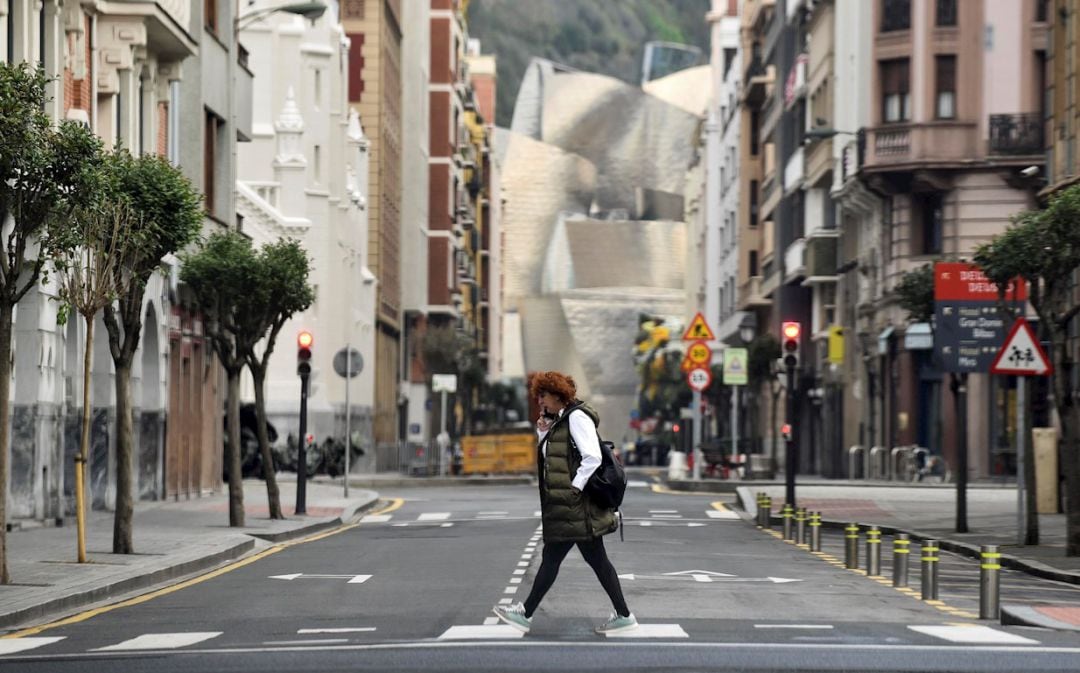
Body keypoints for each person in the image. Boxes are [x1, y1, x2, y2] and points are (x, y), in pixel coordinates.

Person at [492, 371, 637, 635]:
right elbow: (551, 459)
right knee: (589, 560)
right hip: (568, 506)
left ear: (558, 395)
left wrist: (575, 488)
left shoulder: (577, 418)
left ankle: (525, 613)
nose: (540, 401)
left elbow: (592, 456)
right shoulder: (560, 421)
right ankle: (624, 615)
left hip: (574, 505)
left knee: (556, 557)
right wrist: (543, 431)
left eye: (544, 396)